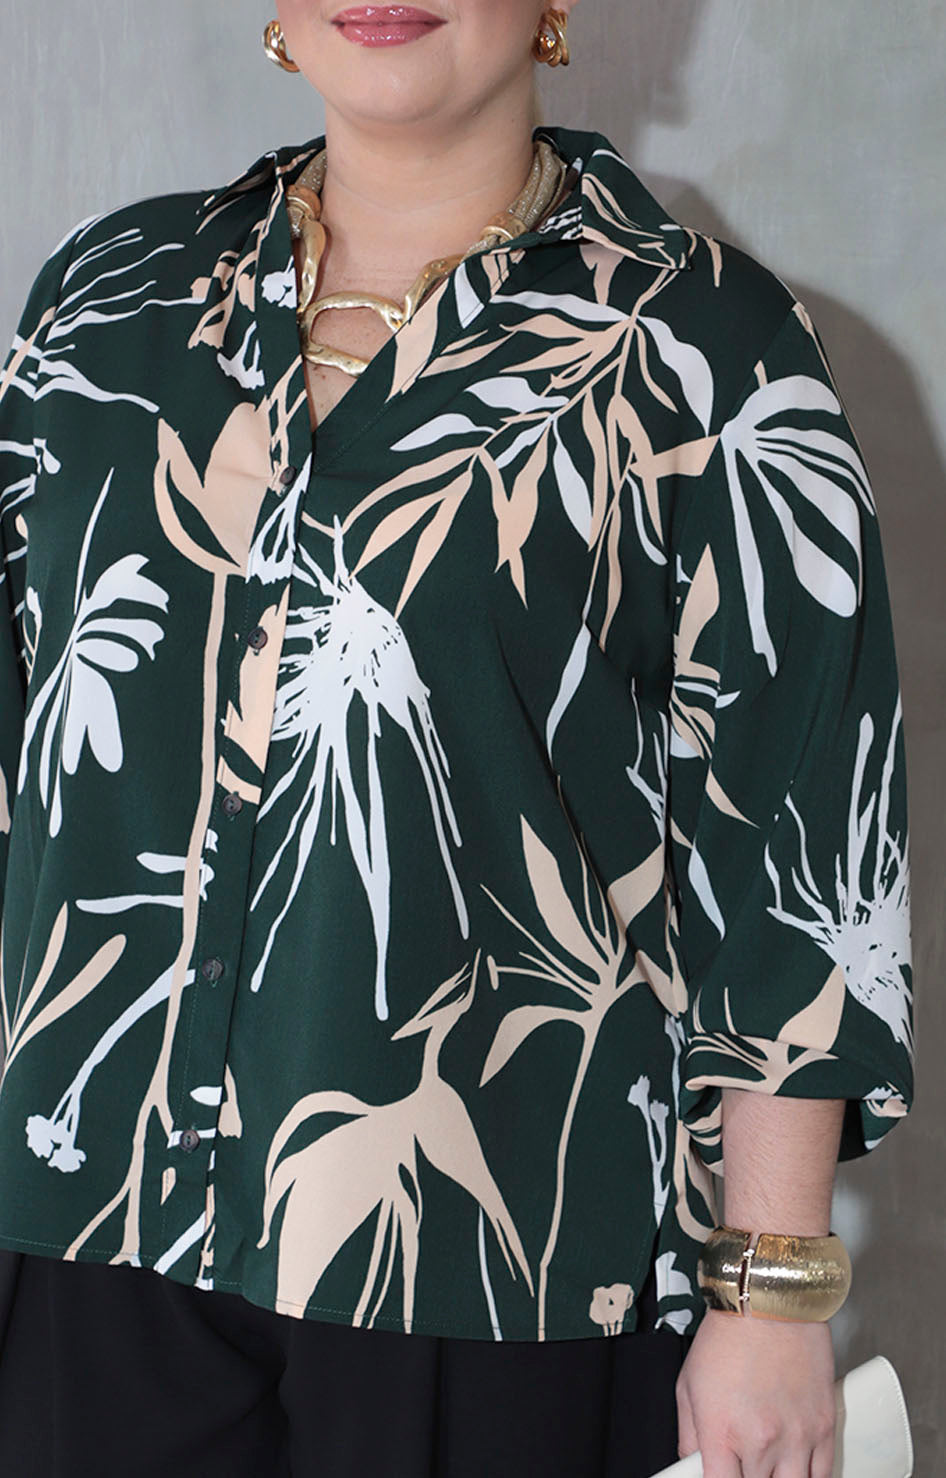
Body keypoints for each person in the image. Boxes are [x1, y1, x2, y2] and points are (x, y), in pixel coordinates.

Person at [0, 3, 915, 1476]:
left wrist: (770, 1298)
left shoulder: (709, 348)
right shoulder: (103, 304)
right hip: (90, 1234)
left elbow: (798, 861)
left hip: (497, 1259)